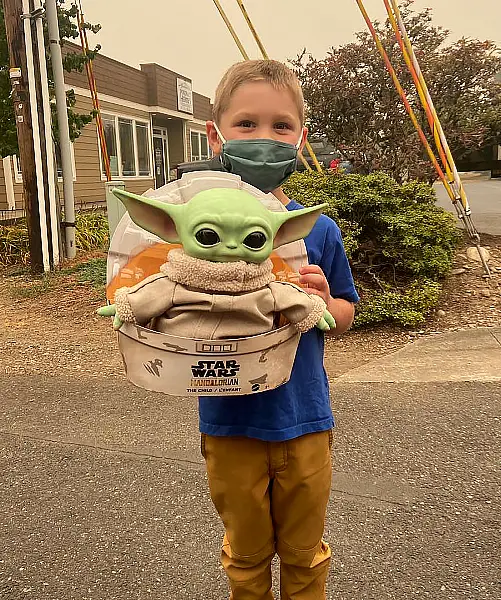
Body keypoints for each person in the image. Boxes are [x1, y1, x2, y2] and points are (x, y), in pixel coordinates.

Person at [200, 59, 360, 600]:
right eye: (246, 124)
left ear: (301, 138)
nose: (264, 138)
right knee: (244, 558)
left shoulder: (318, 229)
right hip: (229, 420)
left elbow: (345, 314)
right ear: (215, 134)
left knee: (304, 553)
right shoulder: (192, 230)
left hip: (306, 419)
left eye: (280, 126)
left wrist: (320, 301)